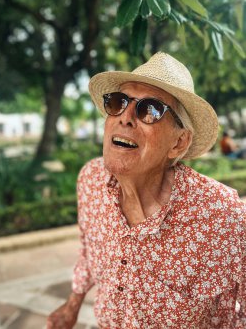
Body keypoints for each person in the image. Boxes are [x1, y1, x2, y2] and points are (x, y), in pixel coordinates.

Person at [47, 52, 246, 328]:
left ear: (178, 142)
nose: (125, 117)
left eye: (150, 109)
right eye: (118, 102)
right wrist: (72, 306)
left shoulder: (224, 216)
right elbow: (88, 251)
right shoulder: (91, 180)